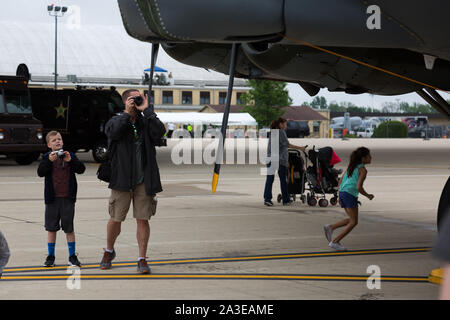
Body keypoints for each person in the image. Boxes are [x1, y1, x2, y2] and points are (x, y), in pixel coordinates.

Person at [99, 89, 163, 274]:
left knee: (143, 220)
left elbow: (159, 132)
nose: (136, 100)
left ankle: (142, 259)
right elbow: (114, 133)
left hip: (144, 179)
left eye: (139, 97)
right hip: (122, 179)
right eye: (132, 98)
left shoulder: (147, 121)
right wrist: (128, 113)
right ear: (124, 101)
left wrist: (147, 110)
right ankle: (109, 251)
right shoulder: (117, 119)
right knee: (116, 219)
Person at [37, 131, 86, 267]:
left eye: (59, 139)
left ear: (63, 142)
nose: (57, 142)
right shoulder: (47, 157)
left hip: (67, 198)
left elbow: (81, 169)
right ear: (48, 145)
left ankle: (72, 256)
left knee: (69, 228)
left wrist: (72, 161)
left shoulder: (69, 156)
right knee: (51, 228)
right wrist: (48, 161)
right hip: (52, 199)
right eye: (54, 140)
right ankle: (51, 256)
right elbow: (40, 173)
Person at [324, 147, 374, 251]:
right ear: (363, 158)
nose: (371, 157)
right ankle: (335, 241)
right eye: (369, 156)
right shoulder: (362, 170)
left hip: (343, 193)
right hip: (349, 194)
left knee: (352, 219)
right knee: (354, 222)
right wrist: (368, 195)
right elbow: (358, 187)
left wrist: (339, 195)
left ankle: (331, 227)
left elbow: (340, 181)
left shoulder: (352, 167)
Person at [263, 117, 306, 206]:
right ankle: (286, 200)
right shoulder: (281, 132)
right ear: (281, 124)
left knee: (269, 179)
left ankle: (267, 199)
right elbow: (287, 144)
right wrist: (301, 148)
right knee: (284, 180)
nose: (286, 126)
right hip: (279, 160)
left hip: (270, 158)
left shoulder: (273, 132)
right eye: (285, 124)